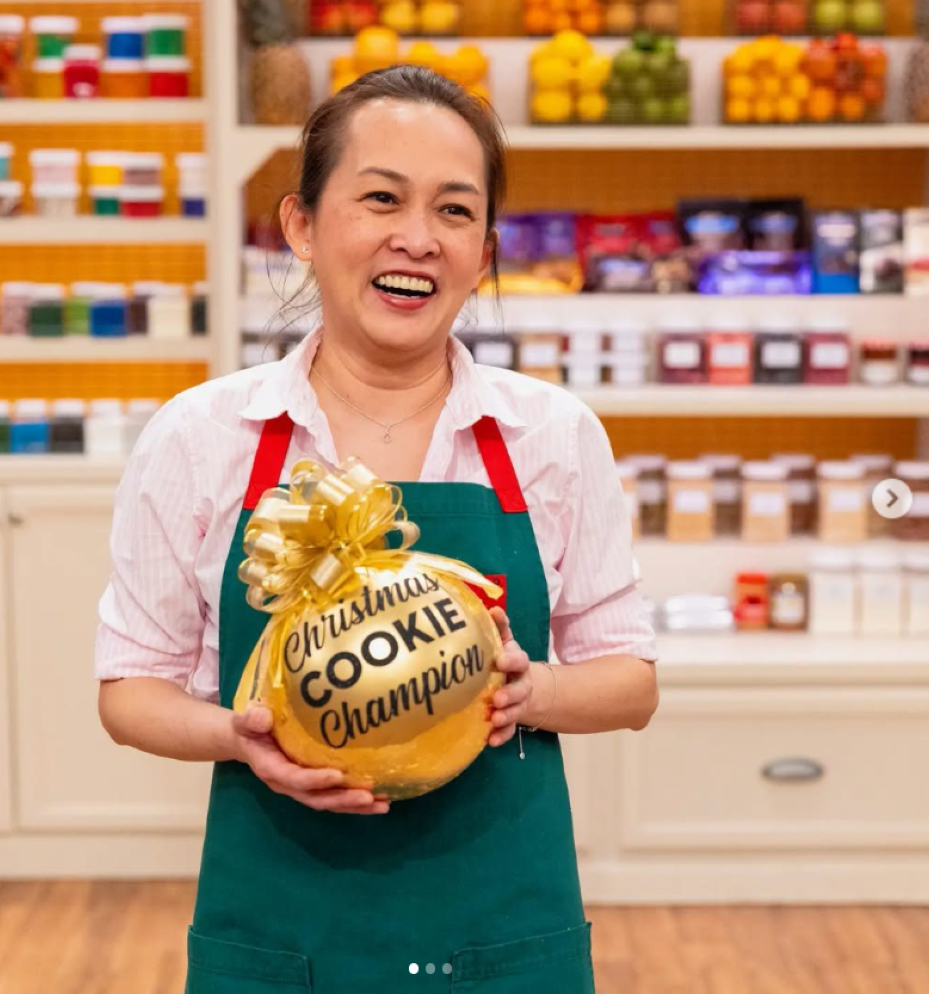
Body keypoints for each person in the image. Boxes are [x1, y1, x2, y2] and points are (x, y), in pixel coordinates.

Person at [96, 65, 658, 994]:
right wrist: (243, 738)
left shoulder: (552, 437)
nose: (417, 239)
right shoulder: (202, 438)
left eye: (454, 211)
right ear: (303, 227)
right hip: (282, 942)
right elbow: (129, 692)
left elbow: (630, 682)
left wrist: (530, 690)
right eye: (381, 199)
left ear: (484, 252)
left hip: (503, 938)